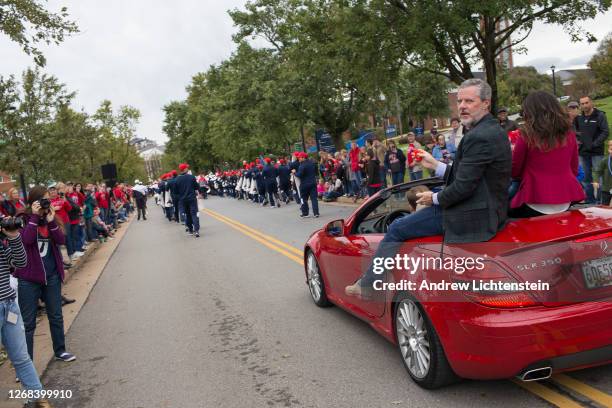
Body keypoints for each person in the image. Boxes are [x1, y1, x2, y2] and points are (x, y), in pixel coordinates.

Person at [346, 78, 511, 297]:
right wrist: (437, 166)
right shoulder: (489, 129)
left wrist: (432, 199)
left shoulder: (479, 136)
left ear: (486, 104)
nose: (462, 106)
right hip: (481, 207)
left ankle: (369, 286)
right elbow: (472, 176)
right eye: (460, 100)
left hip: (471, 215)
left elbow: (463, 187)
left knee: (396, 228)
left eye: (469, 101)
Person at [14, 186, 77, 363]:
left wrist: (50, 221)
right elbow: (26, 241)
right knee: (28, 324)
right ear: (32, 201)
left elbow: (61, 240)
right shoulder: (23, 218)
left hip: (51, 276)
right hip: (28, 279)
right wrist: (34, 216)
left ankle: (60, 351)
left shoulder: (51, 218)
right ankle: (26, 364)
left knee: (56, 316)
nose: (45, 203)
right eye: (42, 200)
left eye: (47, 199)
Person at [509, 91, 585, 217]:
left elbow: (515, 170)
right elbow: (574, 168)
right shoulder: (569, 134)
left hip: (534, 198)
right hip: (565, 197)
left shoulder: (526, 135)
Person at [0, 213, 45, 396]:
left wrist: (13, 236)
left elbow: (20, 262)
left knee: (22, 358)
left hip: (9, 304)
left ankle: (37, 400)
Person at [574, 95, 610, 203]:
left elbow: (605, 132)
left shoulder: (600, 115)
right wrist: (578, 142)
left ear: (591, 102)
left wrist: (594, 144)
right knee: (585, 178)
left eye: (586, 103)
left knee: (599, 178)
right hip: (583, 152)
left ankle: (600, 202)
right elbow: (575, 133)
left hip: (596, 152)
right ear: (580, 105)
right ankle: (590, 201)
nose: (584, 105)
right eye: (582, 104)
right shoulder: (578, 118)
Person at [175, 163, 201, 237]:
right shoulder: (191, 177)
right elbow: (197, 187)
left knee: (188, 215)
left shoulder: (177, 179)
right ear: (185, 169)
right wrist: (200, 193)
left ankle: (190, 229)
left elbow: (176, 192)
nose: (188, 169)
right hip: (192, 198)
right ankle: (196, 230)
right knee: (194, 214)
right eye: (187, 168)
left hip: (183, 200)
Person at [295, 152, 319, 218]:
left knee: (303, 199)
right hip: (313, 183)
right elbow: (316, 172)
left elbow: (299, 175)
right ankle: (316, 213)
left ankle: (305, 213)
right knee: (314, 199)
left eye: (299, 158)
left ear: (303, 158)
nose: (298, 159)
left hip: (304, 184)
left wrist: (294, 173)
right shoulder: (312, 163)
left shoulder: (302, 165)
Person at [594, 140, 612, 207]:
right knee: (604, 206)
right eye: (611, 149)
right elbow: (598, 171)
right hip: (606, 188)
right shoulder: (605, 160)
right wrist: (596, 180)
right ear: (608, 150)